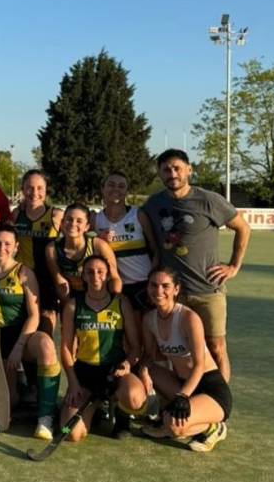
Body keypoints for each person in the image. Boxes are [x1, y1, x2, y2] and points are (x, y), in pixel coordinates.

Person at [143, 149, 250, 382]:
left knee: (215, 347)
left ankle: (220, 405)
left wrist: (234, 266)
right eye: (166, 170)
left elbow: (243, 227)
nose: (172, 173)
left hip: (207, 290)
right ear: (160, 174)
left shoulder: (209, 200)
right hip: (172, 294)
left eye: (177, 168)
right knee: (173, 351)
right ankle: (177, 400)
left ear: (189, 170)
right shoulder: (153, 204)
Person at [0, 225, 60, 440]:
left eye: (7, 244)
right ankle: (20, 387)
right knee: (9, 401)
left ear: (15, 247)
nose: (1, 247)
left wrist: (19, 347)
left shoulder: (24, 273)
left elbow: (34, 315)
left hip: (23, 334)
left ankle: (45, 417)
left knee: (46, 346)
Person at [140, 266, 231, 452]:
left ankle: (214, 427)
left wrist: (182, 396)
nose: (158, 291)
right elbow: (151, 356)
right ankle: (170, 417)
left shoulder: (189, 318)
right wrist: (144, 371)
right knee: (150, 370)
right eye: (153, 285)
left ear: (176, 289)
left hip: (210, 388)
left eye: (165, 286)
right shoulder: (149, 319)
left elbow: (199, 365)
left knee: (174, 426)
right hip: (182, 384)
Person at [59, 256, 148, 443]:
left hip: (115, 372)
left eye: (100, 271)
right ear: (83, 276)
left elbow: (135, 347)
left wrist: (127, 363)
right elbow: (66, 348)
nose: (95, 276)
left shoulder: (121, 303)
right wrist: (73, 383)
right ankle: (97, 404)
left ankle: (122, 417)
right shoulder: (73, 305)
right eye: (89, 272)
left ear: (108, 276)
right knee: (71, 433)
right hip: (85, 372)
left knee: (134, 398)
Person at [94, 171, 155, 313]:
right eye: (111, 185)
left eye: (121, 186)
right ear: (102, 189)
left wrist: (153, 280)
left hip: (143, 283)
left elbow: (155, 248)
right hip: (114, 286)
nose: (116, 189)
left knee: (144, 331)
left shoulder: (138, 215)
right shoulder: (95, 220)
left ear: (127, 191)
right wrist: (97, 240)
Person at [11, 169, 63, 335]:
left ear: (46, 189)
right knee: (24, 324)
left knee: (46, 323)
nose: (35, 192)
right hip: (22, 278)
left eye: (40, 188)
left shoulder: (56, 215)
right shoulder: (16, 214)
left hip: (47, 278)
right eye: (30, 187)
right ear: (22, 189)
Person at [45, 203, 121, 306]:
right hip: (71, 300)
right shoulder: (52, 249)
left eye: (79, 221)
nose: (73, 224)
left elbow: (114, 279)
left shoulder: (99, 246)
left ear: (87, 227)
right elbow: (60, 283)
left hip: (100, 297)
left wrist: (113, 303)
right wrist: (72, 310)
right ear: (62, 223)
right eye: (69, 219)